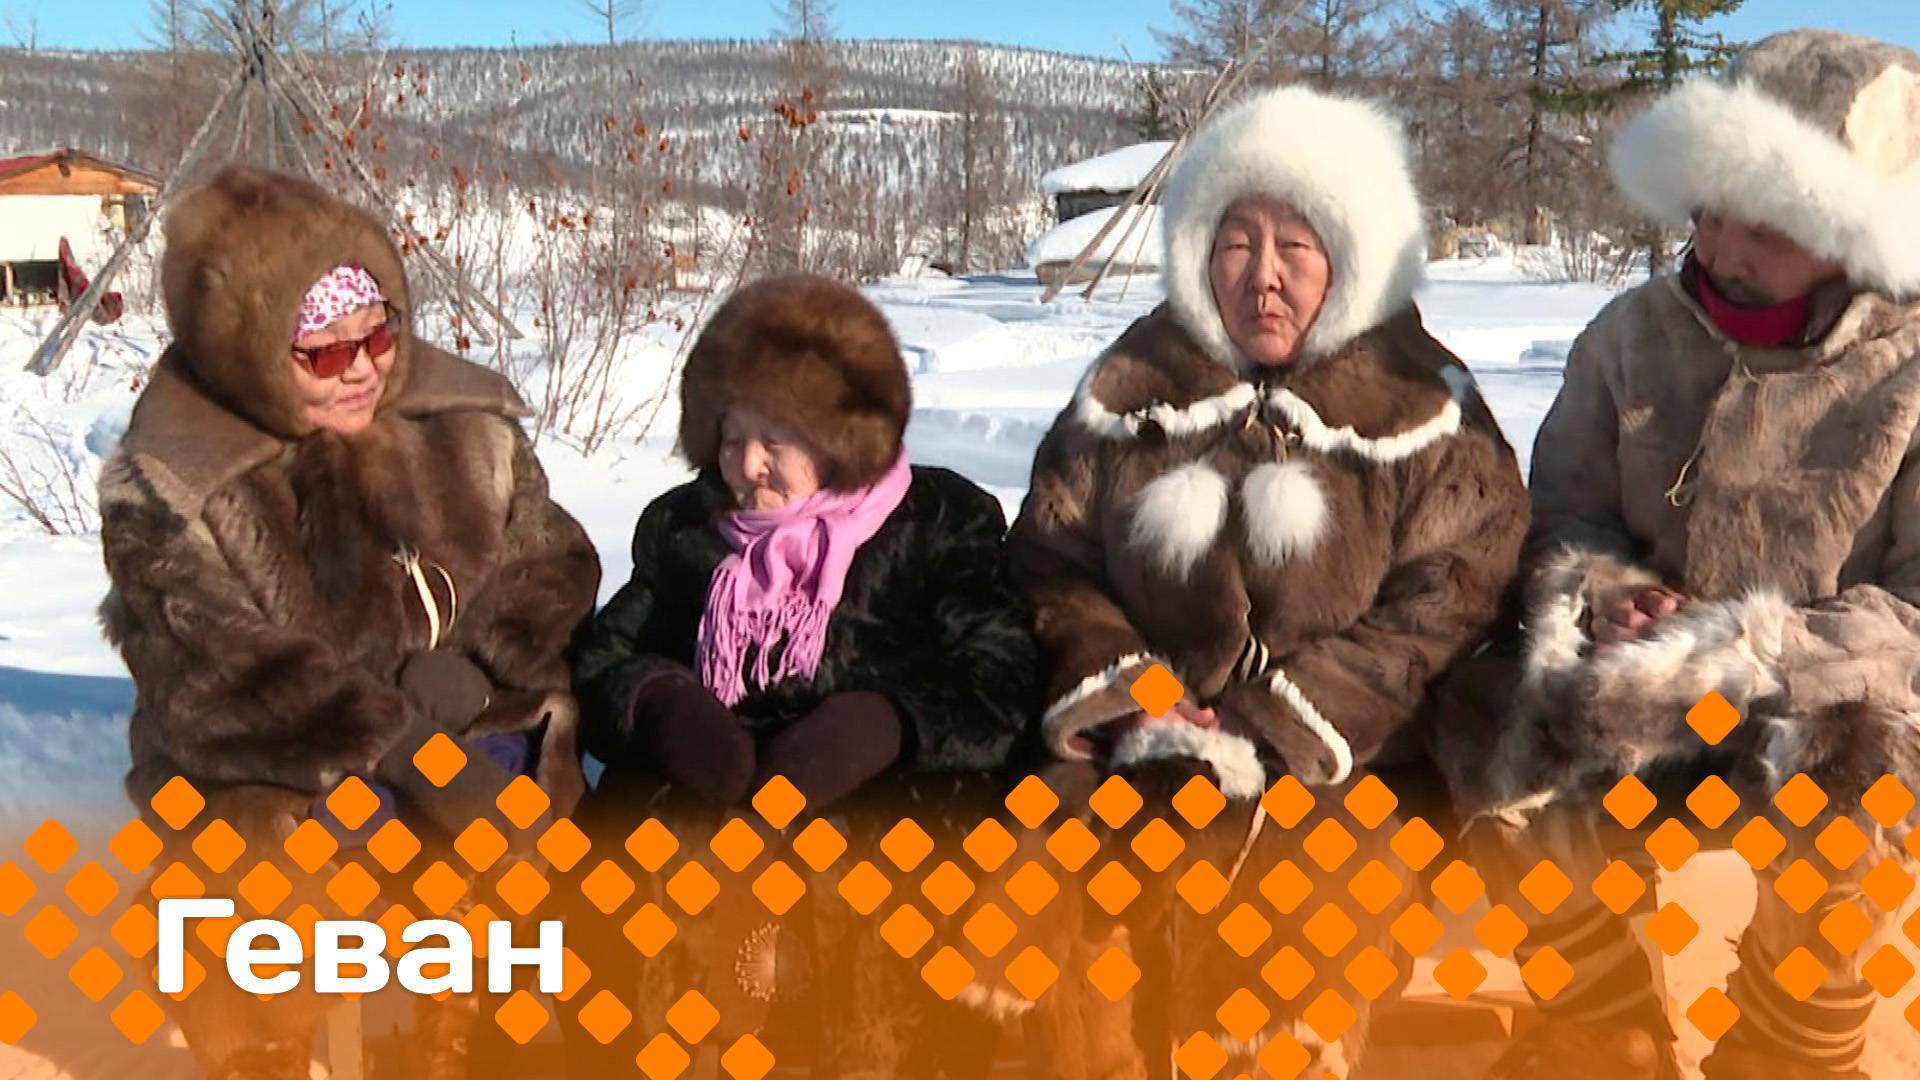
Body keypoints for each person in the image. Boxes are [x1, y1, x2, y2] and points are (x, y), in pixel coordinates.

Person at [1004, 83, 1530, 1075]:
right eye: (1236, 243)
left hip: (1347, 760)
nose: (1264, 277)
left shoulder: (1423, 403)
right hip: (1143, 740)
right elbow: (1049, 561)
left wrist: (1278, 715)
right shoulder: (1132, 388)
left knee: (1302, 931)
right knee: (1062, 920)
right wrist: (1133, 692)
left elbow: (1459, 594)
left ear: (1350, 257)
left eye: (1296, 245)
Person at [1440, 30, 1920, 1080]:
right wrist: (1604, 596)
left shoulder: (1910, 370)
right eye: (1707, 209)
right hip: (1635, 687)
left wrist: (1741, 648)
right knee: (1484, 723)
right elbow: (1564, 512)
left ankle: (1789, 1049)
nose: (1720, 247)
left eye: (1764, 224)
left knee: (1866, 795)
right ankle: (1602, 1020)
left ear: (1850, 230)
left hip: (1829, 696)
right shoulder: (1631, 336)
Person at [98, 165, 600, 1080]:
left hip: (457, 720)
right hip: (272, 757)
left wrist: (470, 677)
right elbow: (213, 675)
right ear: (253, 350)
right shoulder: (173, 481)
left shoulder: (467, 426)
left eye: (377, 334)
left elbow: (550, 567)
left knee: (534, 803)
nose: (363, 366)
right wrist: (398, 739)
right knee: (254, 861)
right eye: (324, 354)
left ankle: (458, 1030)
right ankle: (267, 1053)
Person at [567, 272, 1040, 1074]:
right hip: (715, 810)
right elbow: (604, 655)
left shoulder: (936, 526)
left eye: (775, 441)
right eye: (730, 438)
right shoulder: (687, 530)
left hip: (882, 818)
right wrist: (662, 702)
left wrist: (887, 722)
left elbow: (1001, 675)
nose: (746, 466)